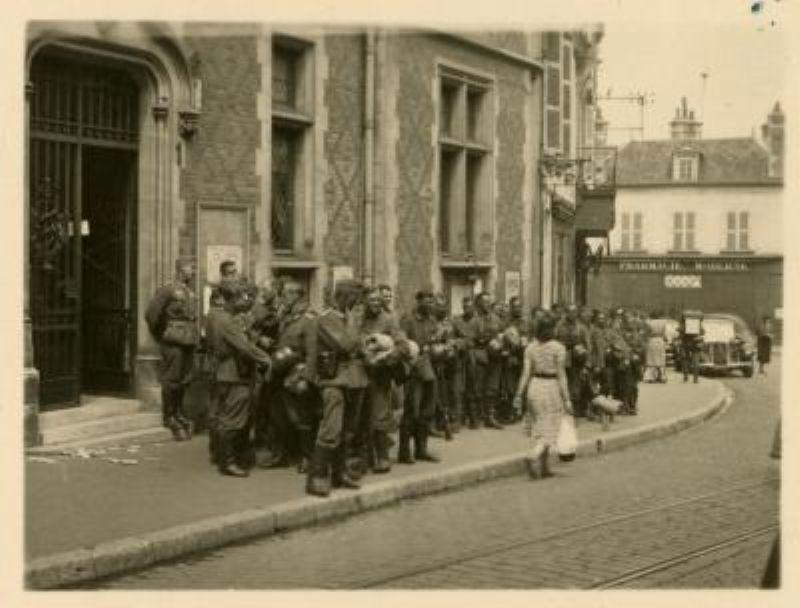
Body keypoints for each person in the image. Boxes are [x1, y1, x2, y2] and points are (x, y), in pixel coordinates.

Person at [306, 279, 366, 497]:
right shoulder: (326, 320)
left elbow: (360, 346)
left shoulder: (348, 319)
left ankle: (338, 474)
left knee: (346, 431)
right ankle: (317, 477)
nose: (358, 303)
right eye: (354, 299)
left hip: (353, 380)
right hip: (334, 381)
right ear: (343, 297)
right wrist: (353, 324)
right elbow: (347, 345)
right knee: (331, 429)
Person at [206, 279, 272, 477]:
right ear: (230, 299)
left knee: (221, 415)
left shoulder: (215, 316)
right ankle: (228, 463)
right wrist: (266, 359)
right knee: (233, 418)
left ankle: (220, 456)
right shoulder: (228, 321)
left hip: (223, 371)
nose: (242, 302)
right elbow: (244, 347)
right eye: (238, 298)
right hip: (235, 373)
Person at [145, 257, 200, 442]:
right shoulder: (168, 290)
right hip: (173, 342)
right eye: (191, 268)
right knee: (171, 380)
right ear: (181, 269)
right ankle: (169, 417)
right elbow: (151, 314)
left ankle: (178, 413)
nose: (193, 271)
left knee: (184, 380)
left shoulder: (190, 293)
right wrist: (162, 335)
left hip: (188, 341)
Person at [513, 313, 573, 479]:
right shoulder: (559, 348)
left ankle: (545, 468)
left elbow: (525, 373)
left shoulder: (530, 347)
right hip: (550, 387)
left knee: (540, 424)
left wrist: (518, 395)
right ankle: (533, 455)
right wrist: (567, 398)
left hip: (534, 386)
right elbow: (561, 375)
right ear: (552, 329)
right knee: (550, 426)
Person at [359, 287, 410, 474]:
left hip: (379, 375)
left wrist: (385, 358)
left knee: (380, 415)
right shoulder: (357, 319)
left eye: (378, 300)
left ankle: (382, 457)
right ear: (364, 301)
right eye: (371, 300)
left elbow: (403, 346)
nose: (375, 304)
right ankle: (365, 458)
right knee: (362, 416)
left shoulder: (389, 320)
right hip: (359, 374)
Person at [399, 290, 443, 463]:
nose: (430, 305)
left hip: (430, 371)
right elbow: (402, 345)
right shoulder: (407, 320)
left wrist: (439, 342)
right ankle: (404, 452)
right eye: (427, 301)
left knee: (427, 411)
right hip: (413, 372)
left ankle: (421, 449)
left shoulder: (432, 321)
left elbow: (434, 342)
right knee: (411, 412)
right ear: (418, 302)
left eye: (432, 301)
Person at [469, 292, 504, 430]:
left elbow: (502, 334)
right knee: (476, 388)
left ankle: (490, 417)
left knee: (492, 388)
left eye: (489, 301)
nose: (487, 304)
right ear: (478, 303)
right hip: (480, 356)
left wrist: (499, 342)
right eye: (484, 301)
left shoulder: (496, 319)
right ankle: (475, 417)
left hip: (495, 357)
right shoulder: (474, 321)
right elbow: (470, 340)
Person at [555, 304, 591, 418]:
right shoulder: (559, 326)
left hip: (577, 360)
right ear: (566, 313)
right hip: (563, 358)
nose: (572, 314)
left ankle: (575, 410)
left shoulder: (581, 327)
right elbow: (554, 340)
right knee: (561, 383)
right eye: (570, 312)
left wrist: (584, 357)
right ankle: (562, 408)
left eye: (574, 312)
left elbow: (588, 345)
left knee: (576, 385)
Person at [452, 294, 479, 429]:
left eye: (469, 306)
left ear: (473, 307)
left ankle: (473, 419)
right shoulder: (457, 321)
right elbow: (452, 337)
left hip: (473, 358)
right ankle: (458, 419)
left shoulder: (478, 321)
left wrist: (466, 341)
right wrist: (461, 342)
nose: (467, 308)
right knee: (458, 389)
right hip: (459, 357)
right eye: (465, 306)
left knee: (472, 388)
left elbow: (481, 338)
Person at [678, 311, 704, 383]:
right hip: (696, 343)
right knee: (696, 361)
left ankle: (685, 376)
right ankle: (695, 379)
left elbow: (680, 332)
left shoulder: (683, 324)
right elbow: (703, 332)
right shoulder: (698, 324)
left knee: (685, 360)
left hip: (685, 343)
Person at [645, 311, 668, 383]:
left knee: (652, 359)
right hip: (660, 340)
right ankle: (662, 377)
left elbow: (647, 333)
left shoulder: (649, 323)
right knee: (661, 359)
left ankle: (651, 377)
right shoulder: (663, 322)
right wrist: (665, 340)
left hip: (652, 340)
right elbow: (664, 333)